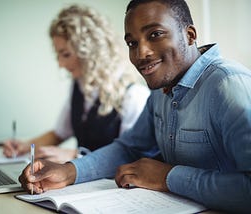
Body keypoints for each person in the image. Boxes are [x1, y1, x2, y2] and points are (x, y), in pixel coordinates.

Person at [19, 0, 251, 213]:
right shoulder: (161, 90)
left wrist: (168, 177)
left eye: (155, 34)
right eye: (132, 43)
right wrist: (68, 171)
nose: (141, 53)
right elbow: (129, 148)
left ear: (189, 35)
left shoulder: (229, 86)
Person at [3, 4, 151, 163]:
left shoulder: (134, 96)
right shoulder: (79, 85)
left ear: (90, 52)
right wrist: (26, 145)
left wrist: (75, 155)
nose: (60, 64)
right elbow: (59, 133)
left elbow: (131, 157)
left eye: (65, 54)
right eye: (58, 55)